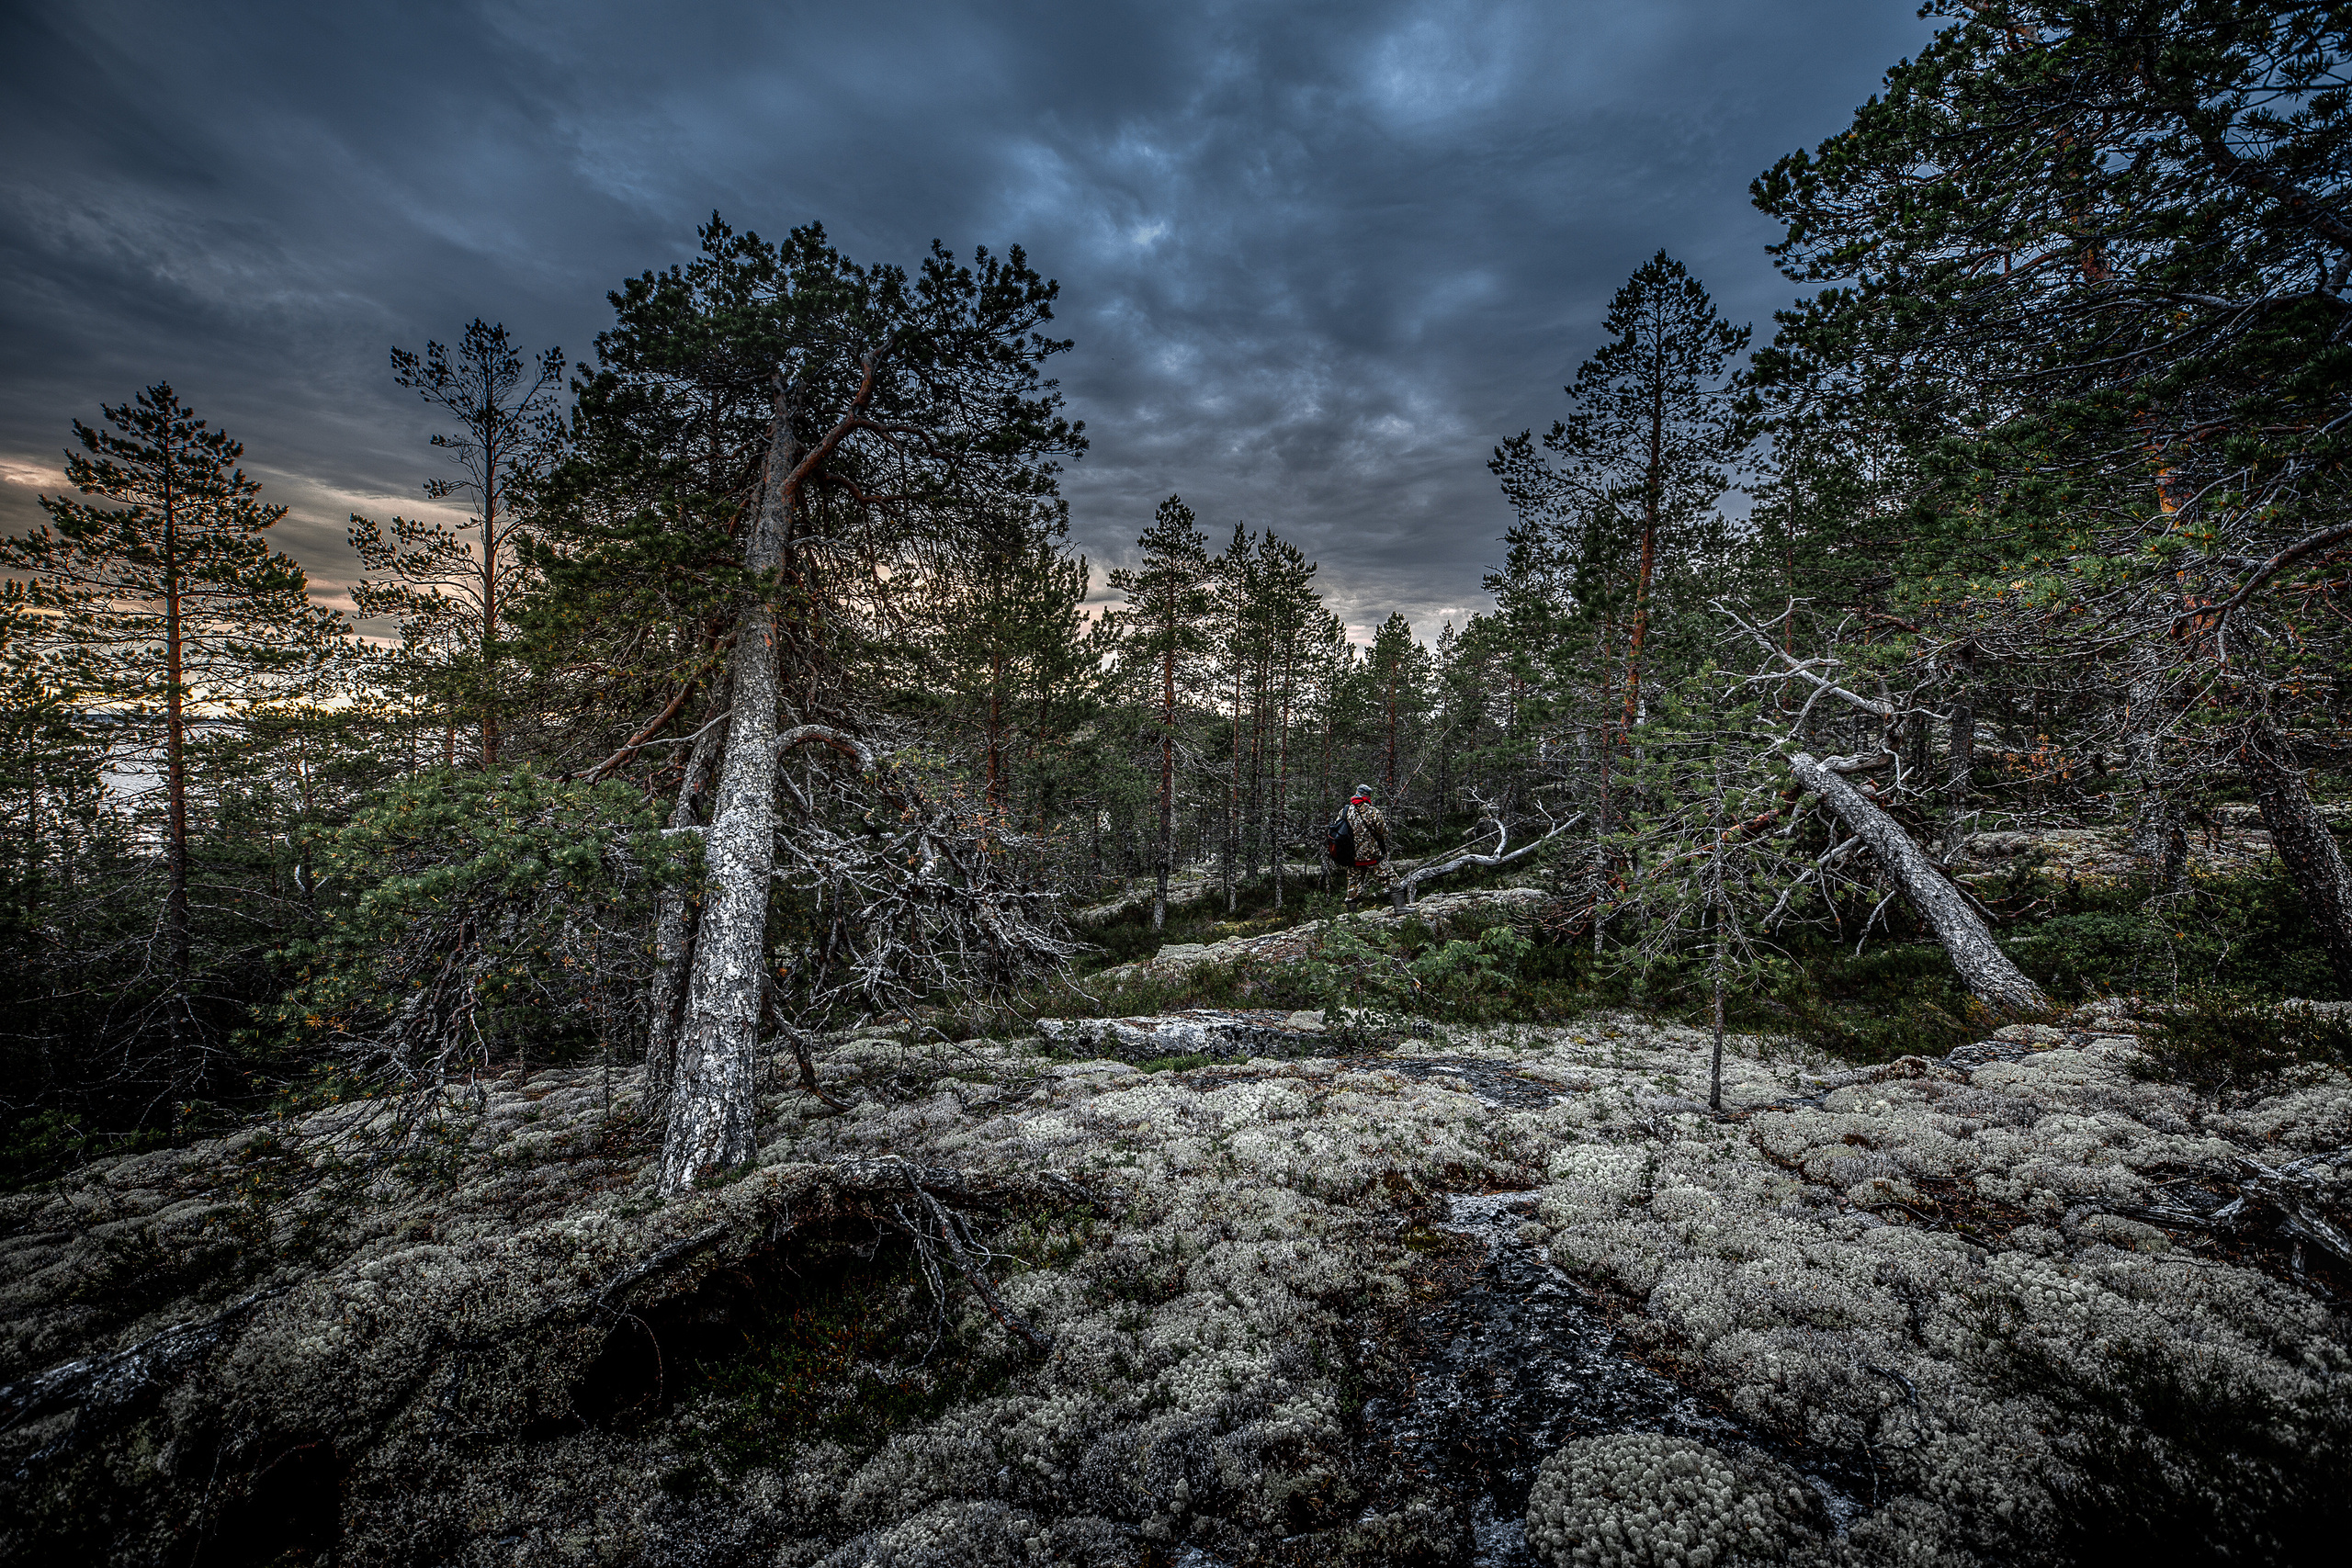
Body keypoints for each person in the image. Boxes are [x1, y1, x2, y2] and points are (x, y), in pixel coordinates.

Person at [1337, 784, 1394, 908]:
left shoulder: (1344, 812)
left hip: (1353, 858)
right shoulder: (1374, 812)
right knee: (1391, 880)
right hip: (1374, 857)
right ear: (1368, 796)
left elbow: (1338, 832)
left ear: (1356, 794)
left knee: (1352, 888)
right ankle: (1400, 908)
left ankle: (1352, 919)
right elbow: (1384, 833)